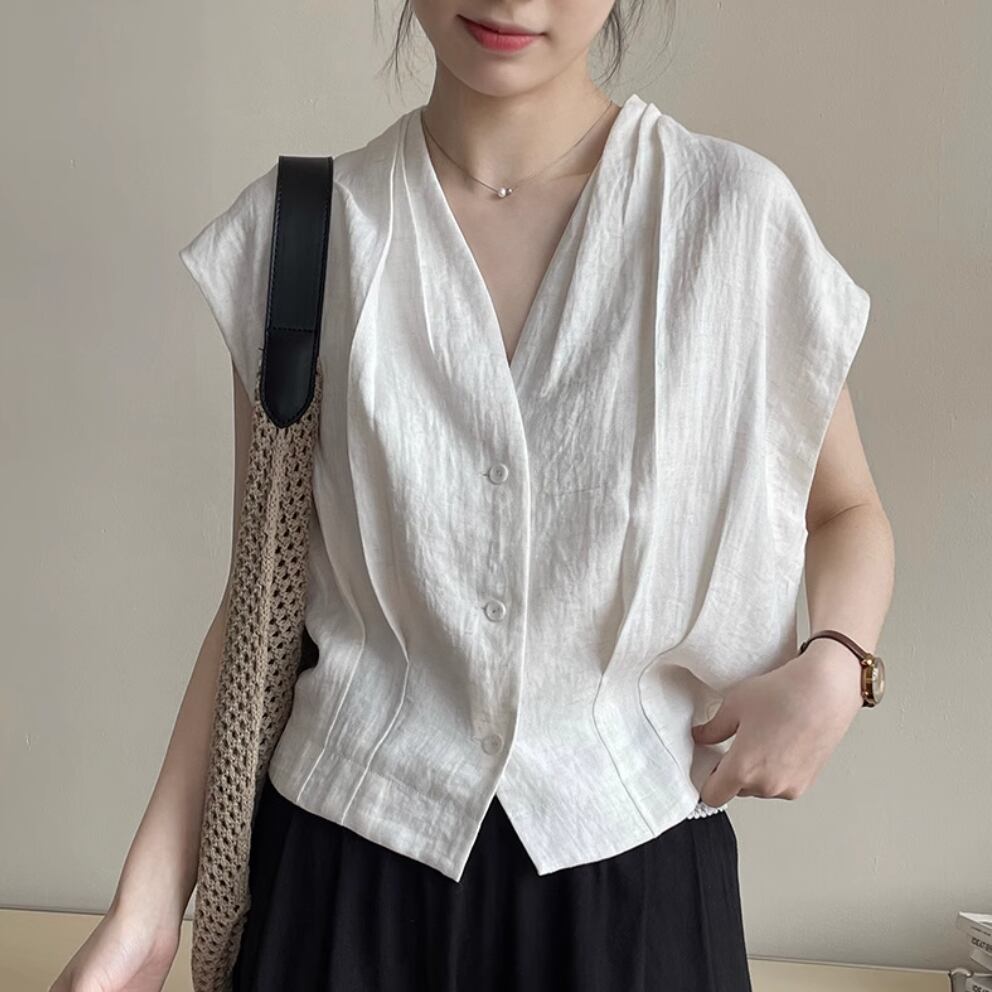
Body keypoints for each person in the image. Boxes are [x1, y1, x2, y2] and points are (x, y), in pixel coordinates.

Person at [51, 1, 895, 990]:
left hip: (635, 893)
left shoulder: (730, 220)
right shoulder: (301, 235)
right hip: (340, 887)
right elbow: (262, 595)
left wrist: (837, 664)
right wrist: (146, 910)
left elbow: (845, 511)